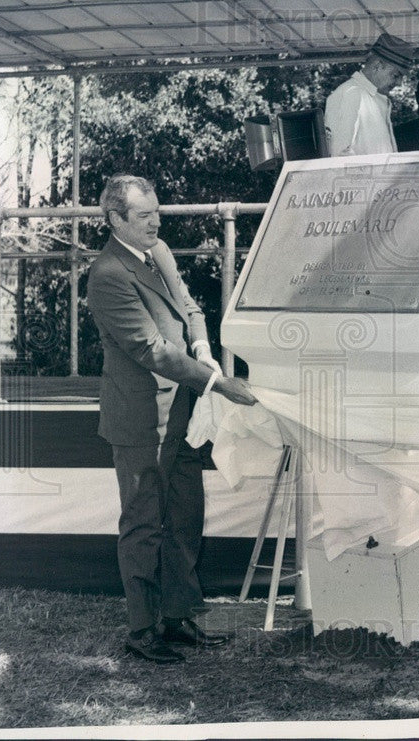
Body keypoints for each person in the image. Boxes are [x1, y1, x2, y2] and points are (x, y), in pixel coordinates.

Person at [87, 174, 258, 663]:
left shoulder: (157, 250)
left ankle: (178, 618)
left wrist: (203, 346)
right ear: (115, 219)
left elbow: (187, 307)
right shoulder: (108, 275)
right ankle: (142, 631)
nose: (155, 222)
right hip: (140, 421)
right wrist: (216, 381)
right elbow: (152, 350)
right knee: (144, 525)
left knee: (184, 516)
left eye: (156, 212)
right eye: (144, 216)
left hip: (182, 412)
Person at [323, 33, 415, 156]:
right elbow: (339, 155)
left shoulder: (376, 97)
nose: (399, 83)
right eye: (396, 75)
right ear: (377, 66)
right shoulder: (351, 93)